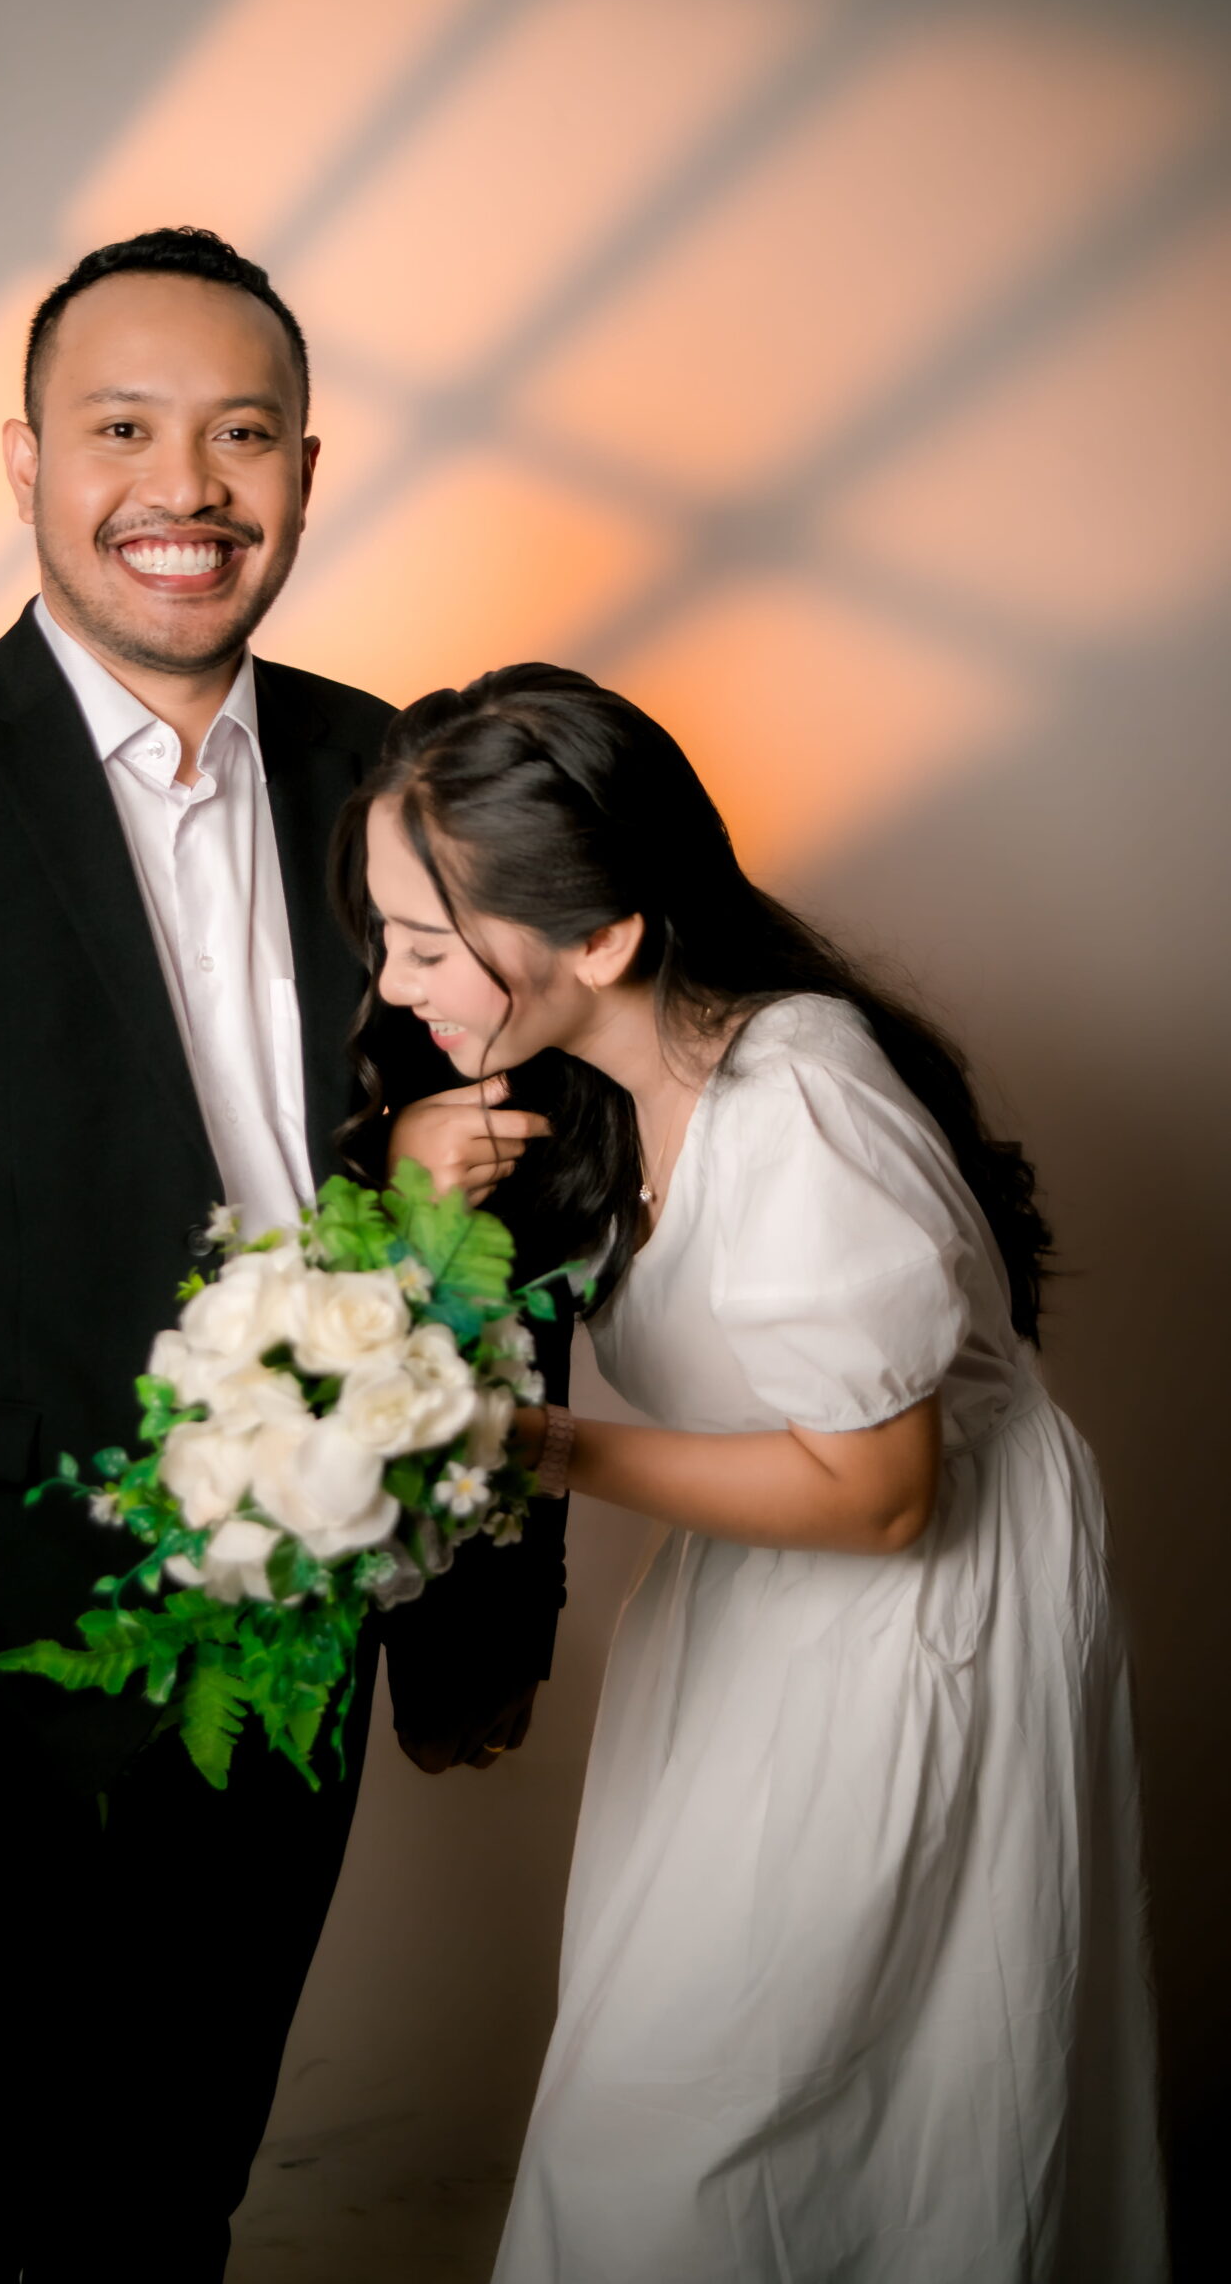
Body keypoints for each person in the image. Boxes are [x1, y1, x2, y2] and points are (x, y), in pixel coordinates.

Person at [0, 228, 565, 2282]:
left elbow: (500, 1177)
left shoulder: (392, 772)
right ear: (26, 462)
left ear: (306, 474)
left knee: (173, 2189)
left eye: (240, 435)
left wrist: (481, 1603)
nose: (186, 487)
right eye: (124, 429)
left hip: (318, 1604)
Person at [336, 663, 1167, 2283]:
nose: (397, 978)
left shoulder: (796, 1105)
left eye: (428, 942)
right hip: (762, 1613)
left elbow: (882, 1497)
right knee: (703, 2100)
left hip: (905, 1626)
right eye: (387, 933)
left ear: (601, 938)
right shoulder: (602, 1088)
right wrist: (412, 1195)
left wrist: (529, 1448)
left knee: (764, 2119)